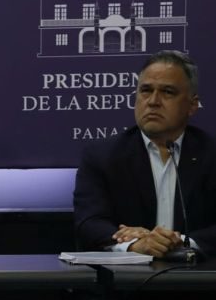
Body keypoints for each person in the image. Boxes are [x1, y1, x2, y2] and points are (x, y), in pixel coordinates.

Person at [73, 50, 216, 258]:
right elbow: (89, 222)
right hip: (126, 285)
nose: (153, 101)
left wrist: (183, 243)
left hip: (198, 282)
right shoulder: (102, 156)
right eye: (146, 90)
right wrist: (134, 243)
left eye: (167, 92)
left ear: (192, 105)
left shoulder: (211, 154)